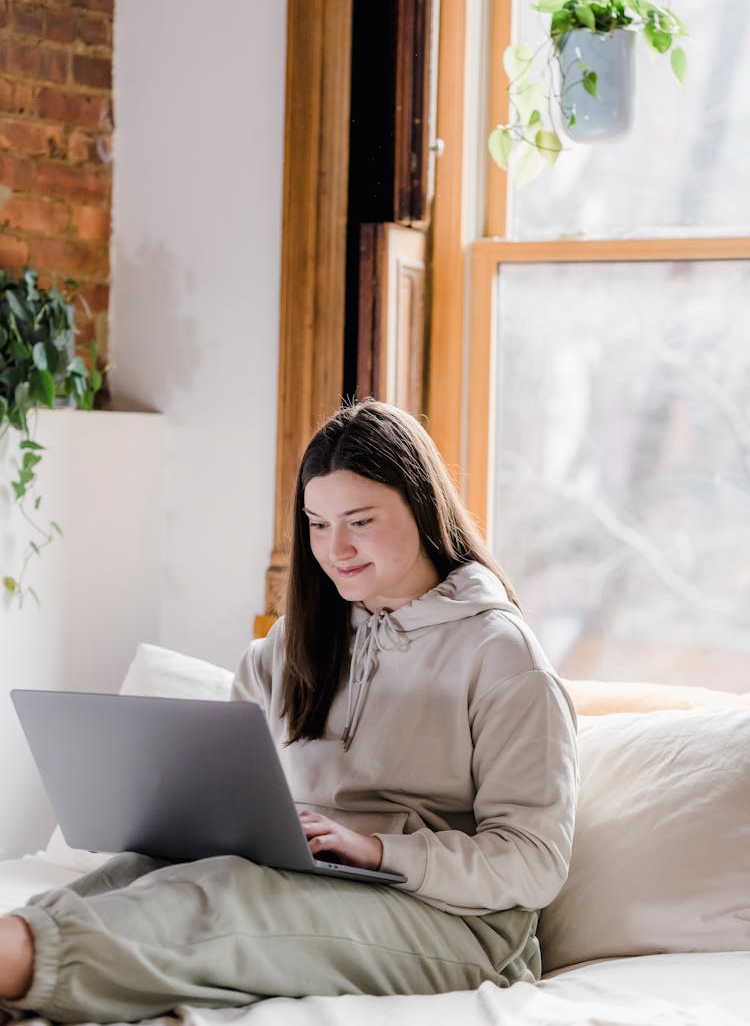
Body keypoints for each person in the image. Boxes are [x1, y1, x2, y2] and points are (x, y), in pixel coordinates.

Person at [0, 400, 578, 1024]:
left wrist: (378, 851)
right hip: (319, 880)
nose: (338, 549)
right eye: (318, 524)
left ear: (422, 506)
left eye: (360, 520)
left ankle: (24, 962)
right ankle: (21, 951)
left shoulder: (501, 653)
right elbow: (236, 800)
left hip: (463, 928)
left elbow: (533, 861)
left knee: (233, 896)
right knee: (149, 868)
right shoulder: (290, 644)